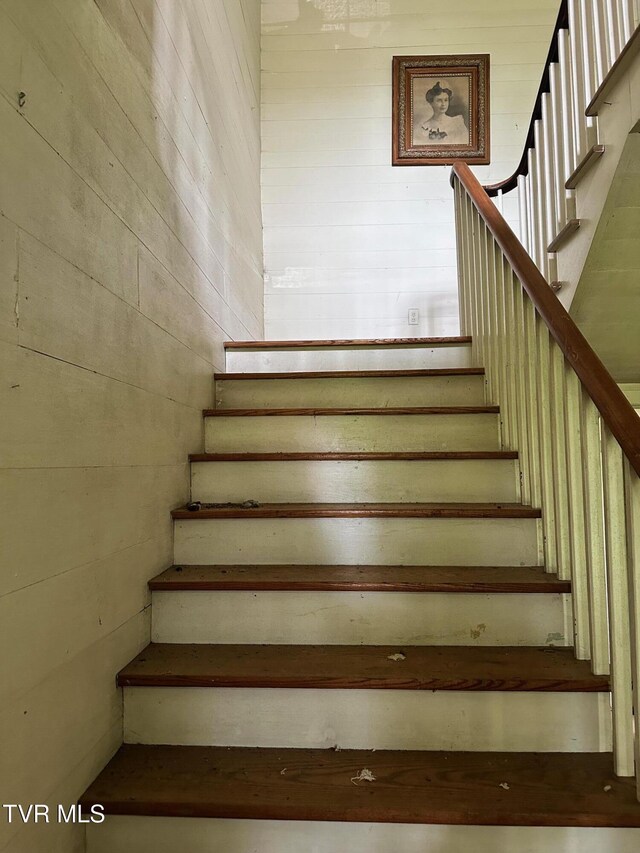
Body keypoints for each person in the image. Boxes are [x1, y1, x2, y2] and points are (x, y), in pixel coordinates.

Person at [419, 81, 469, 146]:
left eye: (446, 100)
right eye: (439, 100)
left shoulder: (457, 122)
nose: (443, 104)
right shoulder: (425, 127)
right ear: (431, 103)